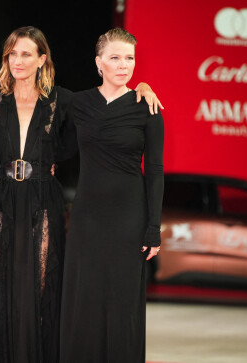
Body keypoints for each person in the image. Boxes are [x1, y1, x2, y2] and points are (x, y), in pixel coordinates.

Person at [0, 26, 163, 363]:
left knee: (41, 291)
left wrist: (143, 87)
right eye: (13, 53)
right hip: (0, 200)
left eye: (26, 53)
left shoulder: (64, 100)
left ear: (42, 59)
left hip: (43, 201)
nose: (18, 60)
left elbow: (108, 101)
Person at [59, 28, 164, 363]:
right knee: (83, 299)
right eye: (115, 58)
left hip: (129, 219)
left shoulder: (146, 106)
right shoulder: (77, 103)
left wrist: (154, 227)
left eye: (130, 58)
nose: (124, 65)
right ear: (98, 63)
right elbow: (54, 143)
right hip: (87, 216)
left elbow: (156, 172)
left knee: (123, 303)